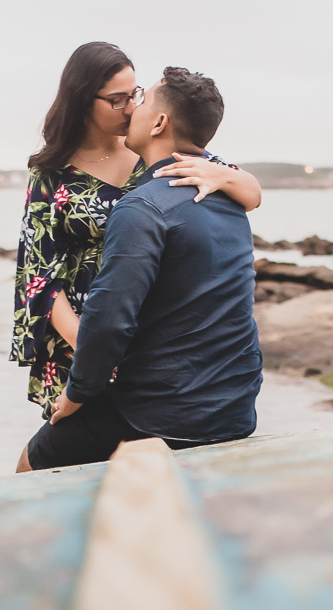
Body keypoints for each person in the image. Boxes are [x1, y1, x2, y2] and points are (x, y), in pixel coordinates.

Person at [18, 67, 263, 473]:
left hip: (164, 407)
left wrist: (76, 396)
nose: (133, 107)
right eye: (121, 98)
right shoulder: (222, 192)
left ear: (160, 122)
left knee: (31, 465)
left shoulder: (143, 207)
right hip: (234, 401)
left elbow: (110, 321)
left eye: (141, 98)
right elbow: (37, 270)